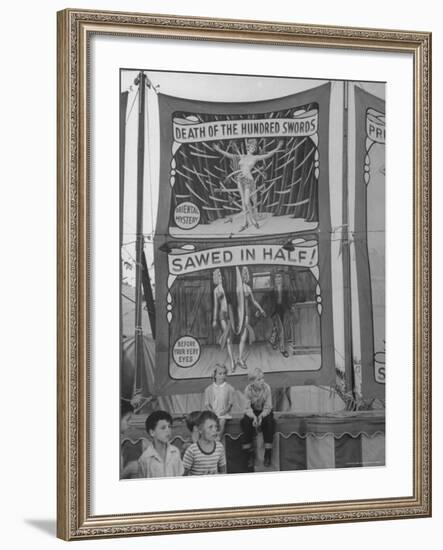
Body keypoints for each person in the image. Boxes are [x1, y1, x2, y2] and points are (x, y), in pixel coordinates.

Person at [214, 138, 283, 231]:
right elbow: (229, 155)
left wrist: (278, 147)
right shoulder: (241, 156)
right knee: (243, 203)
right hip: (240, 180)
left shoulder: (255, 157)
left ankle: (253, 221)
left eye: (254, 147)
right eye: (251, 146)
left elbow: (268, 155)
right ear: (247, 147)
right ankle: (245, 223)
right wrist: (218, 149)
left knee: (247, 202)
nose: (253, 148)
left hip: (248, 180)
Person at [240, 367, 275, 470]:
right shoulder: (248, 390)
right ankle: (249, 454)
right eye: (259, 379)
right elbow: (247, 407)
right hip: (253, 411)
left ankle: (268, 453)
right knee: (245, 422)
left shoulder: (267, 388)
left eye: (263, 378)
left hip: (264, 411)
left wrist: (261, 416)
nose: (262, 381)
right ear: (252, 382)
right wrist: (254, 417)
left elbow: (268, 406)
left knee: (269, 421)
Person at [137, 410, 184, 478]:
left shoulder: (175, 452)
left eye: (169, 426)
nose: (168, 430)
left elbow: (180, 476)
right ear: (152, 432)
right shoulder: (145, 458)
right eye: (163, 428)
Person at [237, 266, 266, 370]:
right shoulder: (239, 288)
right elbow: (237, 304)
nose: (245, 275)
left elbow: (253, 301)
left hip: (247, 315)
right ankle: (240, 359)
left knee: (245, 338)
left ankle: (240, 358)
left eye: (246, 273)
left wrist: (261, 309)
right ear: (240, 275)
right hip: (241, 315)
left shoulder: (248, 288)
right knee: (244, 337)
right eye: (243, 273)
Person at [182, 410, 227, 475]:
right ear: (197, 428)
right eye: (210, 427)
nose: (214, 430)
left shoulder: (218, 447)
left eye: (215, 426)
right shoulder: (190, 449)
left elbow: (223, 471)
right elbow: (183, 474)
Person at [212, 268, 235, 372]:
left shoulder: (226, 288)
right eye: (219, 276)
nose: (220, 277)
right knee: (229, 339)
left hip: (229, 314)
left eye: (221, 276)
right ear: (216, 278)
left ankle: (222, 338)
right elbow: (216, 306)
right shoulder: (216, 290)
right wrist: (214, 319)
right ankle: (232, 361)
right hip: (222, 314)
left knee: (229, 337)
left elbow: (232, 302)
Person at [204, 364, 235, 437]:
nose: (222, 376)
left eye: (224, 373)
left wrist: (224, 411)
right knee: (210, 421)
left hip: (223, 413)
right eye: (220, 374)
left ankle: (218, 438)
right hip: (213, 413)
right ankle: (210, 438)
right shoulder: (208, 389)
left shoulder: (229, 388)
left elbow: (230, 404)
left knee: (222, 420)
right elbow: (207, 404)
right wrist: (212, 411)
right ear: (215, 375)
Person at [268, 271, 290, 358]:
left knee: (277, 328)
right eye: (276, 277)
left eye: (280, 277)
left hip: (283, 310)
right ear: (274, 279)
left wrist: (290, 307)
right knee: (281, 330)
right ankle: (282, 349)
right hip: (275, 311)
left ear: (282, 279)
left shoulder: (285, 289)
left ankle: (272, 341)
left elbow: (287, 300)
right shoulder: (272, 289)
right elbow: (267, 300)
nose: (278, 279)